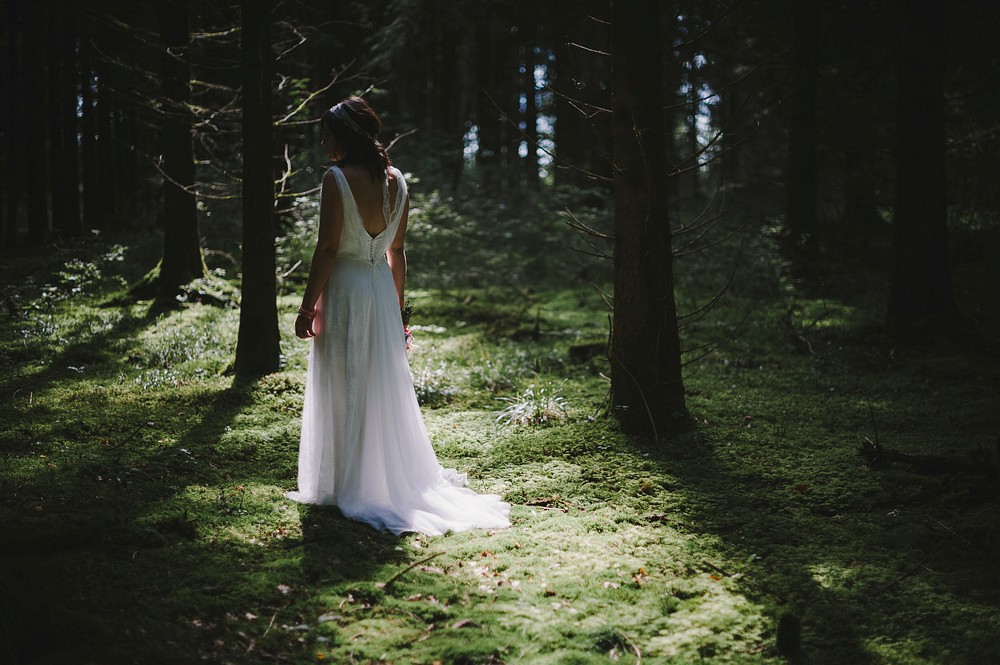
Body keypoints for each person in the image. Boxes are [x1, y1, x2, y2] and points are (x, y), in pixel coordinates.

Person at [285, 97, 511, 536]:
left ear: (345, 135)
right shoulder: (397, 182)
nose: (323, 141)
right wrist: (398, 310)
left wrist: (307, 305)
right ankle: (372, 477)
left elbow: (328, 248)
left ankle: (343, 484)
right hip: (381, 292)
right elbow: (397, 252)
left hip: (347, 290)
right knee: (377, 382)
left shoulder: (335, 179)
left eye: (328, 133)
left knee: (344, 379)